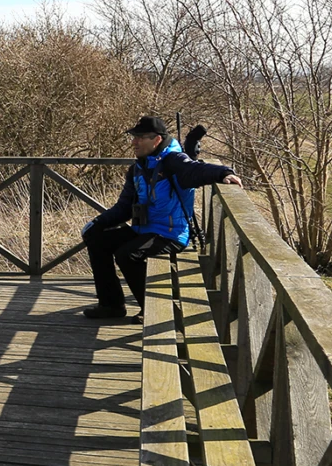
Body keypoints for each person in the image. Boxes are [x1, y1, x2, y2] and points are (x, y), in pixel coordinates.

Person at [82, 116, 242, 320]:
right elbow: (124, 208)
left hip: (171, 234)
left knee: (127, 254)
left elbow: (195, 169)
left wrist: (223, 173)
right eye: (133, 137)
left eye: (139, 138)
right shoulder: (138, 168)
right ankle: (111, 305)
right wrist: (97, 223)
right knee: (97, 239)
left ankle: (152, 312)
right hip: (145, 229)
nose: (134, 142)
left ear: (156, 140)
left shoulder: (173, 161)